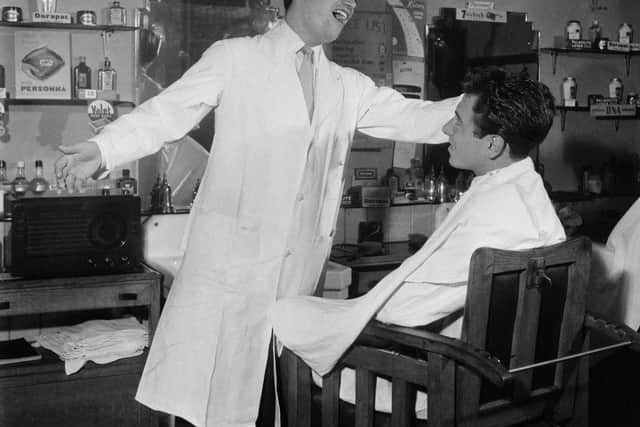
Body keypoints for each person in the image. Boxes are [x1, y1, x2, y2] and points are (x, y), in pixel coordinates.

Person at [54, 0, 460, 425]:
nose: (350, 3)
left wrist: (487, 107)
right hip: (231, 279)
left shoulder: (347, 86)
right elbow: (166, 113)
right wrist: (104, 148)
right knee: (219, 403)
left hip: (296, 286)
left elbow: (415, 117)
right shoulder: (236, 58)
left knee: (274, 404)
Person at [271, 69, 567, 410]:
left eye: (456, 122)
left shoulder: (493, 213)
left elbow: (403, 311)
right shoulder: (526, 193)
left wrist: (367, 304)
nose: (445, 130)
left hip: (448, 383)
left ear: (493, 144)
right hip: (513, 377)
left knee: (287, 318)